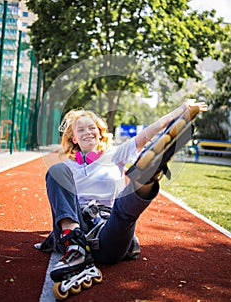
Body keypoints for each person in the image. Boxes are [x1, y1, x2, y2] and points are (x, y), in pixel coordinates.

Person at [37, 100, 207, 284]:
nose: (87, 132)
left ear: (100, 133)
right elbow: (62, 203)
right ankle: (75, 247)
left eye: (91, 128)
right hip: (77, 227)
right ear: (74, 139)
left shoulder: (115, 154)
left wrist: (181, 111)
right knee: (56, 171)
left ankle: (148, 176)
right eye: (81, 130)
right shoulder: (68, 167)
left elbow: (148, 132)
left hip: (108, 230)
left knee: (124, 209)